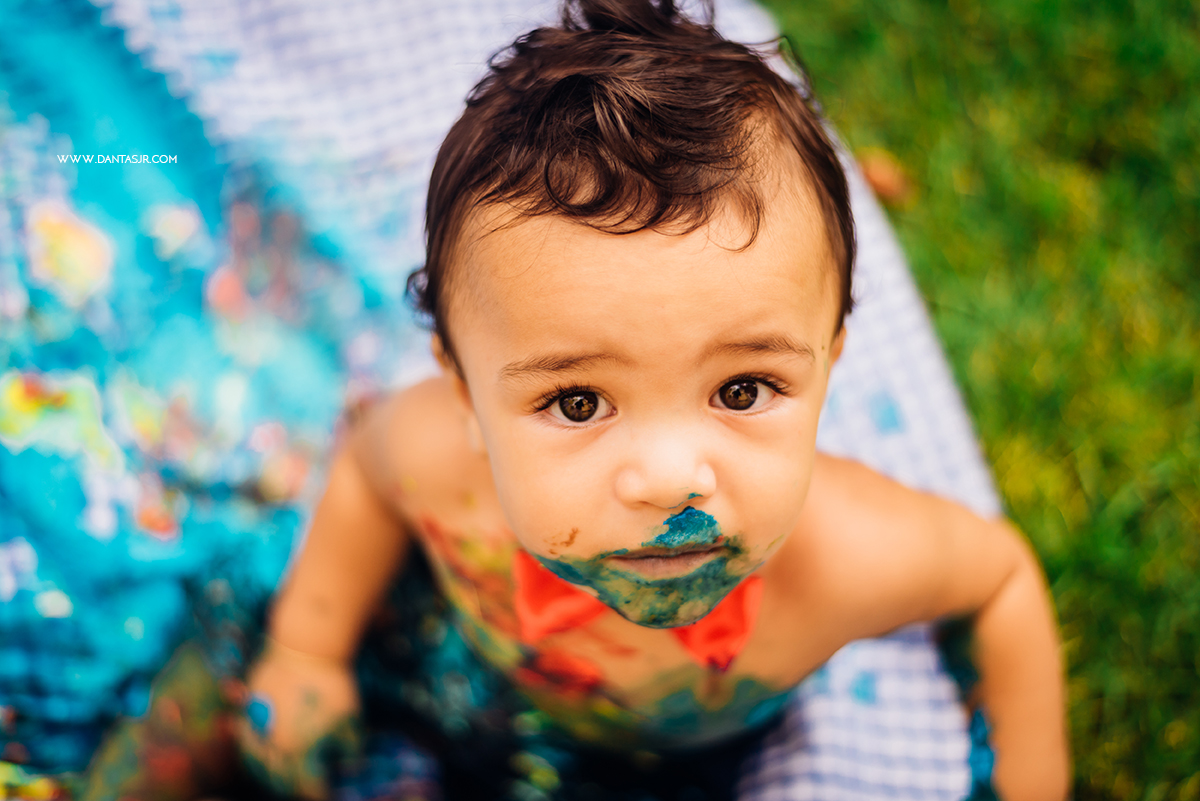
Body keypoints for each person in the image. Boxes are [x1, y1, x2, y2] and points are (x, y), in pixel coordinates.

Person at [240, 1, 1069, 799]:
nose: (672, 479)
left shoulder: (850, 560)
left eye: (743, 389)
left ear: (828, 362)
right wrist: (309, 646)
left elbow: (999, 579)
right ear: (464, 391)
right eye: (575, 402)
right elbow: (365, 475)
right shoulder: (435, 462)